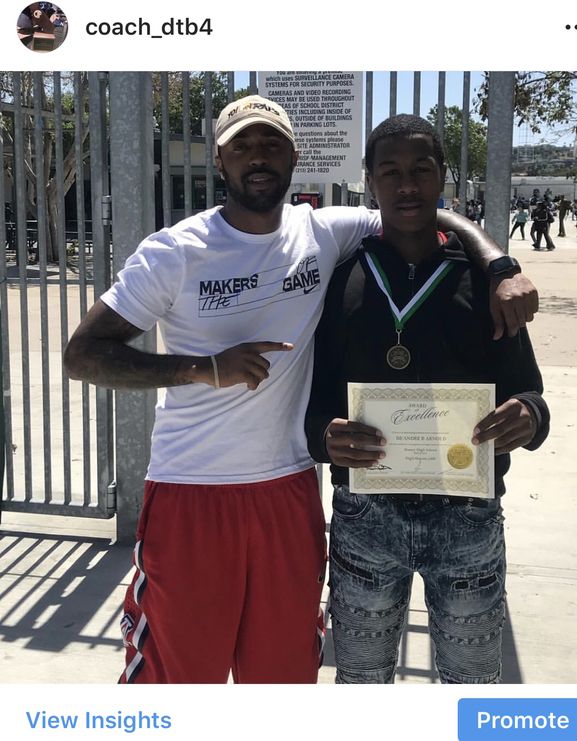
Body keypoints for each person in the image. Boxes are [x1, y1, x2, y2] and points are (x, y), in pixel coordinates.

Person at [63, 96, 539, 685]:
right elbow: (82, 355)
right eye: (241, 146)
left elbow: (421, 212)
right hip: (193, 489)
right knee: (181, 681)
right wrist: (201, 368)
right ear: (220, 161)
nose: (257, 157)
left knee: (283, 678)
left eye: (271, 144)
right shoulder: (175, 251)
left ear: (293, 157)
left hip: (288, 492)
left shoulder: (323, 232)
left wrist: (498, 264)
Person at [305, 114, 550, 684]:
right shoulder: (341, 281)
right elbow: (315, 403)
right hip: (366, 516)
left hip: (467, 515)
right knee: (361, 683)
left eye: (421, 169)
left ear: (443, 175)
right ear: (369, 180)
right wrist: (324, 438)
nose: (406, 185)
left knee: (472, 684)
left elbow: (530, 390)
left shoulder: (484, 283)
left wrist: (529, 417)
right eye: (390, 172)